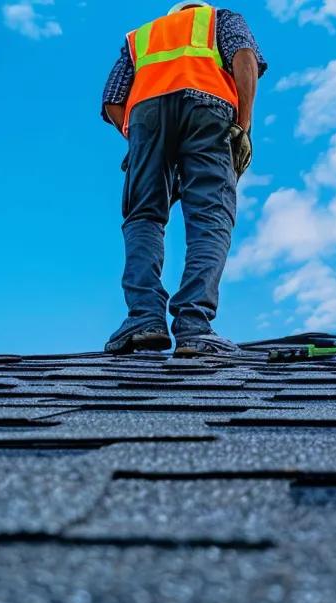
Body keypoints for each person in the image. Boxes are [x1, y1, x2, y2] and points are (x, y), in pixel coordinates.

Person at [100, 2, 264, 356]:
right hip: (208, 107)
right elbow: (245, 59)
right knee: (211, 216)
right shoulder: (220, 18)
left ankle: (144, 319)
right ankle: (194, 324)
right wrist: (243, 127)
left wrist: (143, 142)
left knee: (144, 215)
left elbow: (113, 101)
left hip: (146, 116)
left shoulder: (140, 37)